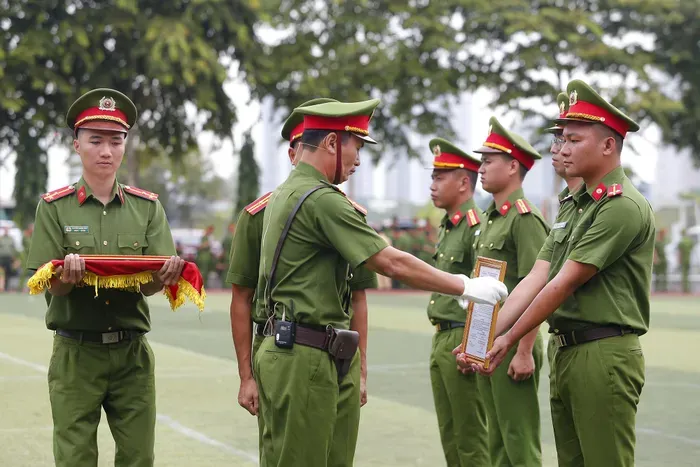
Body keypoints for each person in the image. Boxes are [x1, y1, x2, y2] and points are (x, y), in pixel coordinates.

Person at [254, 98, 508, 466]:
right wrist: (464, 286)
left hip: (288, 347)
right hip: (303, 356)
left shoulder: (285, 193)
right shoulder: (321, 199)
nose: (358, 159)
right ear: (330, 144)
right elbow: (390, 260)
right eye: (356, 146)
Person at [462, 79, 654, 467]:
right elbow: (536, 277)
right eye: (562, 138)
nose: (562, 148)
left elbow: (563, 283)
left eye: (574, 139)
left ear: (607, 145)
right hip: (566, 349)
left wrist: (508, 339)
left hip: (603, 351)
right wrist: (483, 337)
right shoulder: (573, 205)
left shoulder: (620, 207)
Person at [25, 88, 185, 467]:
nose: (106, 151)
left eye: (116, 140)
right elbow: (49, 283)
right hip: (76, 354)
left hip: (132, 355)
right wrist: (69, 276)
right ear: (76, 145)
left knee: (138, 457)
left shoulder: (148, 207)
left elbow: (149, 281)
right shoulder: (54, 208)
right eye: (95, 140)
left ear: (125, 146)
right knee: (75, 457)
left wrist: (165, 277)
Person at [227, 97, 378, 466]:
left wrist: (361, 370)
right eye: (295, 148)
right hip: (287, 345)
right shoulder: (260, 214)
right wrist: (246, 375)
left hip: (336, 351)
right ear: (296, 152)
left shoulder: (342, 211)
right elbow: (241, 297)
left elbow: (357, 298)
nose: (356, 160)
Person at [468, 116, 550, 466]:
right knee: (497, 441)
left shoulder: (524, 219)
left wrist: (525, 351)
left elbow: (537, 287)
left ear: (513, 166)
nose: (481, 168)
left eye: (488, 161)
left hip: (515, 340)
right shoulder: (490, 218)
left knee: (519, 441)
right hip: (488, 337)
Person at [425, 137, 489, 465]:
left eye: (440, 177)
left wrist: (474, 348)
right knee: (451, 436)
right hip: (442, 335)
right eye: (432, 177)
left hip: (462, 338)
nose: (432, 185)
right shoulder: (449, 226)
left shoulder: (476, 227)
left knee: (471, 439)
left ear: (464, 182)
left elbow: (485, 292)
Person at [677, 229, 694, 294]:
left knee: (684, 275)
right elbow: (692, 249)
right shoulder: (690, 241)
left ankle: (685, 289)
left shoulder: (681, 242)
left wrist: (679, 261)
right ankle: (688, 288)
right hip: (689, 259)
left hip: (683, 260)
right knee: (688, 274)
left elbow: (680, 253)